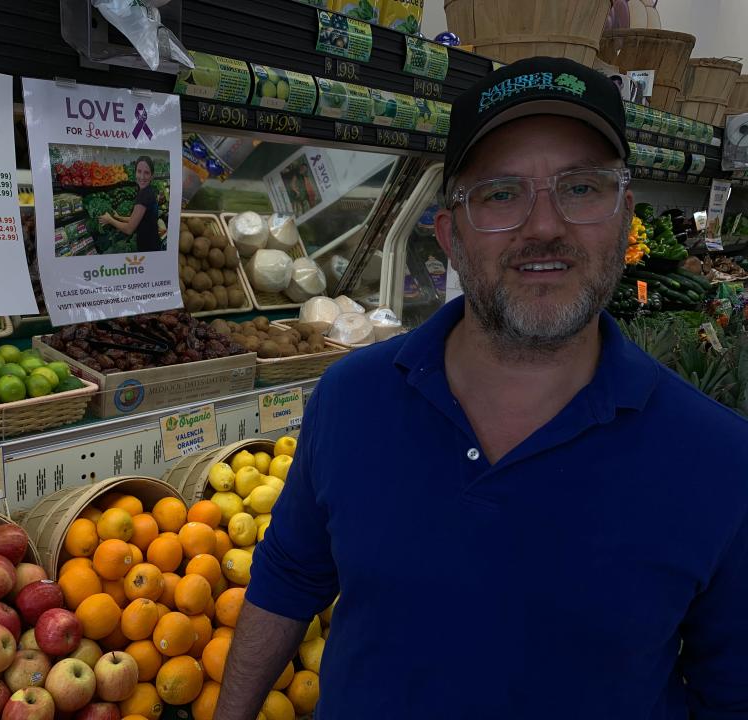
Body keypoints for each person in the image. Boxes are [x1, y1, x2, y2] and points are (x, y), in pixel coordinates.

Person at [215, 57, 748, 719]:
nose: (545, 226)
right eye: (500, 193)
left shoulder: (721, 461)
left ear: (623, 219)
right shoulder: (351, 400)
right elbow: (290, 576)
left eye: (581, 188)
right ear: (450, 237)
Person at [100, 155, 162, 252]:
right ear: (135, 172)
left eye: (146, 173)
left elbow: (129, 229)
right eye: (139, 171)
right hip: (153, 244)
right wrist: (119, 217)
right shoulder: (149, 191)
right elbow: (138, 219)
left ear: (152, 176)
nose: (142, 176)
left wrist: (110, 220)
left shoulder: (144, 195)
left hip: (148, 248)